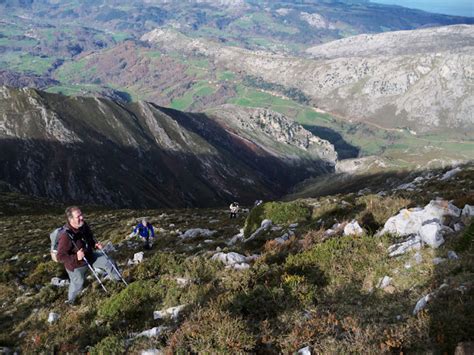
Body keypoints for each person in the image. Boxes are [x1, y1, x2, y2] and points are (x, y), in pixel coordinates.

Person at [57, 206, 122, 305]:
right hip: (76, 265)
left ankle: (118, 283)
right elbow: (60, 256)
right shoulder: (65, 236)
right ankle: (71, 302)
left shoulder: (83, 225)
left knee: (108, 261)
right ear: (71, 219)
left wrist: (95, 245)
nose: (82, 217)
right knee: (78, 284)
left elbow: (89, 238)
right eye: (78, 216)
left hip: (90, 256)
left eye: (81, 214)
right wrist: (76, 257)